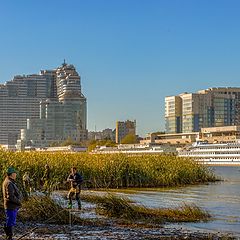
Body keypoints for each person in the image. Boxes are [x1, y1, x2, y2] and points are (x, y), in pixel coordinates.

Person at [2, 167, 22, 240]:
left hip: (11, 206)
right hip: (10, 206)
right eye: (14, 173)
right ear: (11, 174)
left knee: (10, 221)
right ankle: (9, 236)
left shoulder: (8, 181)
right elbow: (10, 197)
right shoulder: (9, 183)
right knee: (10, 221)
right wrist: (19, 202)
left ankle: (9, 236)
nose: (16, 174)